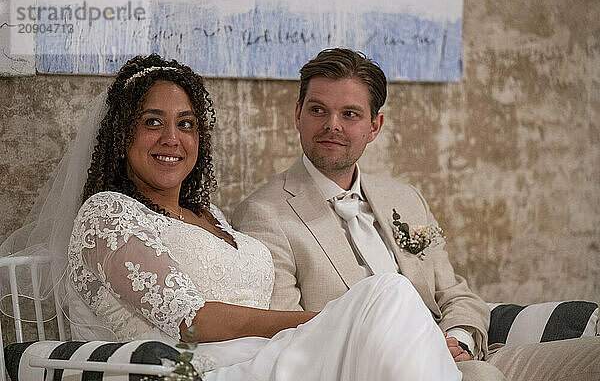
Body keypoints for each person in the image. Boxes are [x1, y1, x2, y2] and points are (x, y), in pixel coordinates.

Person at [0, 54, 462, 380]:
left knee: (388, 309)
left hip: (270, 354)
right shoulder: (107, 214)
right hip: (204, 369)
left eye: (186, 124)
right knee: (388, 294)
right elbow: (193, 321)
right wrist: (327, 321)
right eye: (152, 121)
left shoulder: (210, 216)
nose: (171, 138)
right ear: (122, 135)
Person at [232, 48, 508, 380]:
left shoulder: (405, 198)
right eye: (318, 110)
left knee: (584, 356)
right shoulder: (263, 214)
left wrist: (457, 339)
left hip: (463, 354)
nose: (332, 126)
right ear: (298, 115)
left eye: (350, 114)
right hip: (371, 368)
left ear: (374, 127)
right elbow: (288, 336)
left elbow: (455, 294)